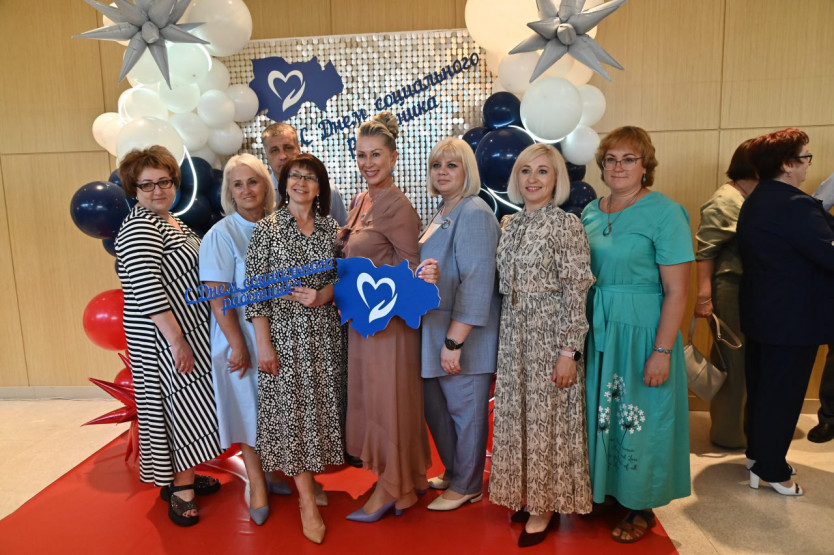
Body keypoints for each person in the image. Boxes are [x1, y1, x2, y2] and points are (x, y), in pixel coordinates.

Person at [581, 126, 693, 543]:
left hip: (643, 331)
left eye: (629, 159)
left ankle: (640, 504)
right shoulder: (591, 211)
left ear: (646, 166)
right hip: (599, 328)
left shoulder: (665, 212)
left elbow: (677, 290)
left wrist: (662, 350)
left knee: (640, 416)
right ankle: (606, 490)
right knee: (602, 414)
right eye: (610, 159)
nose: (618, 167)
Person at [489, 144, 594, 548]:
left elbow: (576, 289)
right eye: (525, 171)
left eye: (542, 171)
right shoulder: (509, 224)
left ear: (557, 179)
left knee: (546, 422)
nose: (532, 179)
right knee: (517, 419)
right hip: (514, 335)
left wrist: (569, 351)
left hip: (550, 337)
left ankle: (544, 505)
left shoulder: (566, 225)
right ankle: (526, 493)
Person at [115, 146, 222, 527]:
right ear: (134, 189)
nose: (157, 190)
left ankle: (182, 476)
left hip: (187, 332)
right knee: (181, 411)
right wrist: (177, 341)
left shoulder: (171, 221)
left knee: (194, 407)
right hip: (165, 341)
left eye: (164, 182)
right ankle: (182, 490)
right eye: (147, 185)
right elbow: (148, 292)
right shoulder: (139, 228)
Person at [245, 153, 346, 544]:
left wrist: (324, 294)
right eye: (294, 176)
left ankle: (313, 482)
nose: (301, 183)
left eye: (310, 177)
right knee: (293, 417)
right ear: (284, 183)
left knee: (317, 414)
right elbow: (255, 294)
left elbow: (343, 279)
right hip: (284, 338)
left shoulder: (331, 228)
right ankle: (305, 500)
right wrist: (263, 345)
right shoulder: (267, 229)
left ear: (320, 187)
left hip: (325, 338)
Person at [339, 112, 434, 522]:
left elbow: (409, 274)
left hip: (389, 324)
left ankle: (392, 488)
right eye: (361, 155)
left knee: (387, 403)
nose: (368, 163)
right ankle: (406, 480)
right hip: (363, 321)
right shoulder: (361, 201)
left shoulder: (399, 207)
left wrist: (375, 303)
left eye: (376, 154)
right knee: (376, 401)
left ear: (393, 157)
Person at [737, 128, 834, 495]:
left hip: (764, 313)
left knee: (763, 390)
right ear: (787, 164)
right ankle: (773, 471)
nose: (808, 164)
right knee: (783, 396)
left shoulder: (758, 198)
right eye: (805, 157)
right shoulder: (795, 205)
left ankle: (758, 457)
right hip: (793, 318)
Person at [199, 154, 282, 525]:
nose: (246, 190)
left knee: (276, 409)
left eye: (253, 181)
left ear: (266, 186)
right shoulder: (221, 234)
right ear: (229, 192)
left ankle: (276, 473)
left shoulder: (280, 226)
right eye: (238, 184)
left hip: (278, 336)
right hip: (239, 337)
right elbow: (219, 298)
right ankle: (257, 483)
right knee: (248, 411)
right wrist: (238, 345)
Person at [418, 138, 500, 512]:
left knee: (466, 414)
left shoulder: (475, 212)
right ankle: (455, 472)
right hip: (435, 331)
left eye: (452, 165)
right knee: (443, 413)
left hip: (462, 338)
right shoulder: (442, 211)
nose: (442, 172)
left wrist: (454, 342)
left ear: (468, 171)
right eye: (437, 165)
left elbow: (478, 281)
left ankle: (468, 485)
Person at [694, 139, 757, 449]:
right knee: (732, 364)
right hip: (729, 289)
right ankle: (727, 434)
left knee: (745, 363)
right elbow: (705, 251)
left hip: (748, 290)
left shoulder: (749, 196)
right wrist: (704, 297)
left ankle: (743, 429)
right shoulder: (725, 199)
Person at [263, 122, 348, 225]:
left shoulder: (328, 191)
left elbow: (345, 232)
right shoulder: (261, 194)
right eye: (275, 150)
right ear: (267, 155)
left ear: (298, 149)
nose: (283, 156)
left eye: (288, 148)